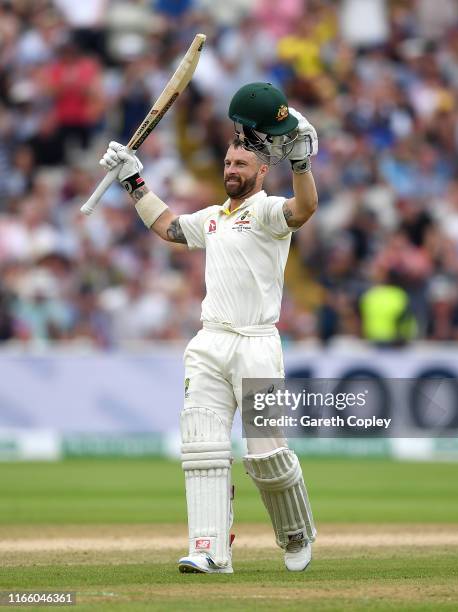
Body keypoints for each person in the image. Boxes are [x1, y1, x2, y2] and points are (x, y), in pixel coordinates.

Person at [99, 83, 318, 574]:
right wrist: (134, 181)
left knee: (265, 457)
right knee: (203, 446)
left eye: (240, 165)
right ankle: (210, 549)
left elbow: (302, 210)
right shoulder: (214, 218)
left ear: (262, 170)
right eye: (226, 165)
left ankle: (295, 531)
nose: (230, 172)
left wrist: (302, 165)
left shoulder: (266, 212)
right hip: (210, 342)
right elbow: (169, 227)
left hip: (257, 344)